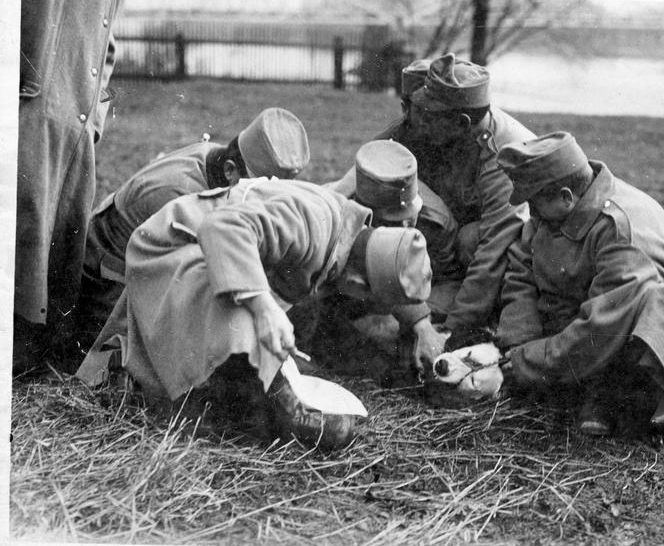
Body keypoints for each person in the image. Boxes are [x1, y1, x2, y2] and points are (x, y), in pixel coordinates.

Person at [76, 177, 432, 450]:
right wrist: (263, 309)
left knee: (259, 326)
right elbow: (222, 228)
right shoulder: (316, 223)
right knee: (245, 313)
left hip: (199, 251)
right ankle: (255, 403)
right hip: (171, 247)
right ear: (358, 283)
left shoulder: (340, 231)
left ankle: (200, 387)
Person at [494, 131, 664, 436]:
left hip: (635, 335)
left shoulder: (618, 231)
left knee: (626, 364)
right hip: (591, 316)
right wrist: (518, 343)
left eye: (534, 203)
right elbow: (522, 267)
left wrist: (528, 362)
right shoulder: (563, 204)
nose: (531, 213)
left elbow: (601, 329)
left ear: (565, 196)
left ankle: (609, 395)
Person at [330, 53, 536, 368]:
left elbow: (495, 250)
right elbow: (354, 184)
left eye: (428, 114)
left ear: (462, 123)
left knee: (473, 241)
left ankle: (488, 319)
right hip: (453, 254)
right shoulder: (426, 128)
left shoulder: (505, 153)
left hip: (514, 259)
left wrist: (453, 331)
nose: (416, 120)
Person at [74, 107, 310, 355]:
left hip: (141, 271)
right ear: (230, 170)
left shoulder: (216, 162)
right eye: (258, 189)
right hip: (108, 286)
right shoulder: (180, 197)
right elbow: (195, 288)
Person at [14, 0, 122, 373]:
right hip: (32, 102)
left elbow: (107, 42)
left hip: (78, 118)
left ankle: (39, 347)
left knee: (65, 235)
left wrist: (95, 118)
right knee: (24, 223)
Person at [312, 139, 447, 378]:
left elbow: (417, 271)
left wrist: (422, 326)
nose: (406, 226)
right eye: (395, 222)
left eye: (410, 218)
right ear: (364, 210)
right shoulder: (329, 218)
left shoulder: (434, 217)